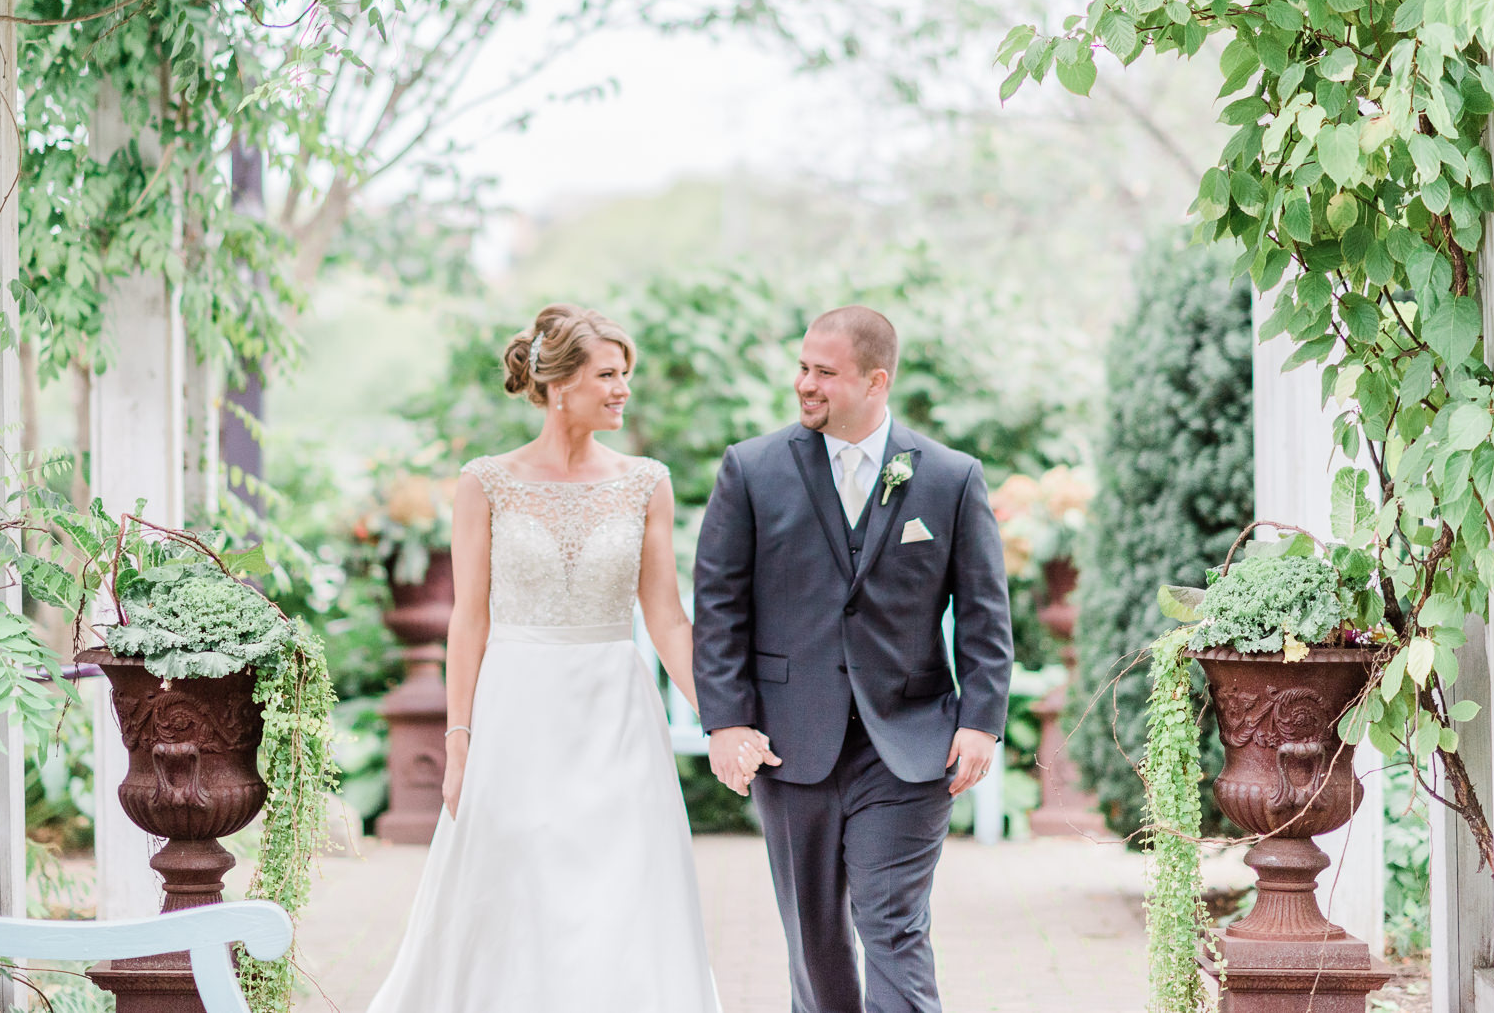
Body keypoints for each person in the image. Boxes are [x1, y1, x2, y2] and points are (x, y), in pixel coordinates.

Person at [367, 303, 751, 1013]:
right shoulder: (485, 482)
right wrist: (459, 741)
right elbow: (469, 620)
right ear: (559, 383)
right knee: (521, 885)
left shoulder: (647, 482)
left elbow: (667, 619)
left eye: (625, 374)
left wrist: (726, 719)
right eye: (608, 374)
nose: (622, 389)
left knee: (619, 892)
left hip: (614, 713)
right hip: (517, 712)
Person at [693, 305, 1015, 1013]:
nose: (804, 383)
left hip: (909, 740)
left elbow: (986, 615)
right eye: (803, 367)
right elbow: (719, 608)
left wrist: (981, 720)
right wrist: (726, 721)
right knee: (814, 938)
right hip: (788, 741)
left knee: (894, 927)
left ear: (876, 381)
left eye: (824, 373)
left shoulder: (951, 479)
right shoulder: (750, 470)